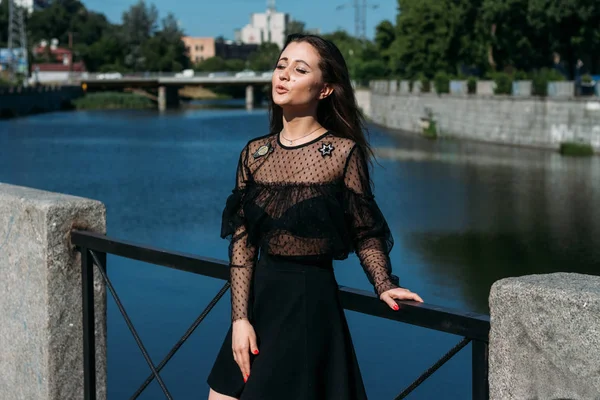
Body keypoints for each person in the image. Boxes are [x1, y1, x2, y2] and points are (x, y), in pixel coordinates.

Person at [207, 33, 423, 400]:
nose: (284, 75)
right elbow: (242, 245)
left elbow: (364, 230)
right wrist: (239, 319)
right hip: (259, 302)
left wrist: (383, 283)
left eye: (299, 69)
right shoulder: (254, 153)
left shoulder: (341, 153)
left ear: (325, 89)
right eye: (281, 65)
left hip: (309, 304)